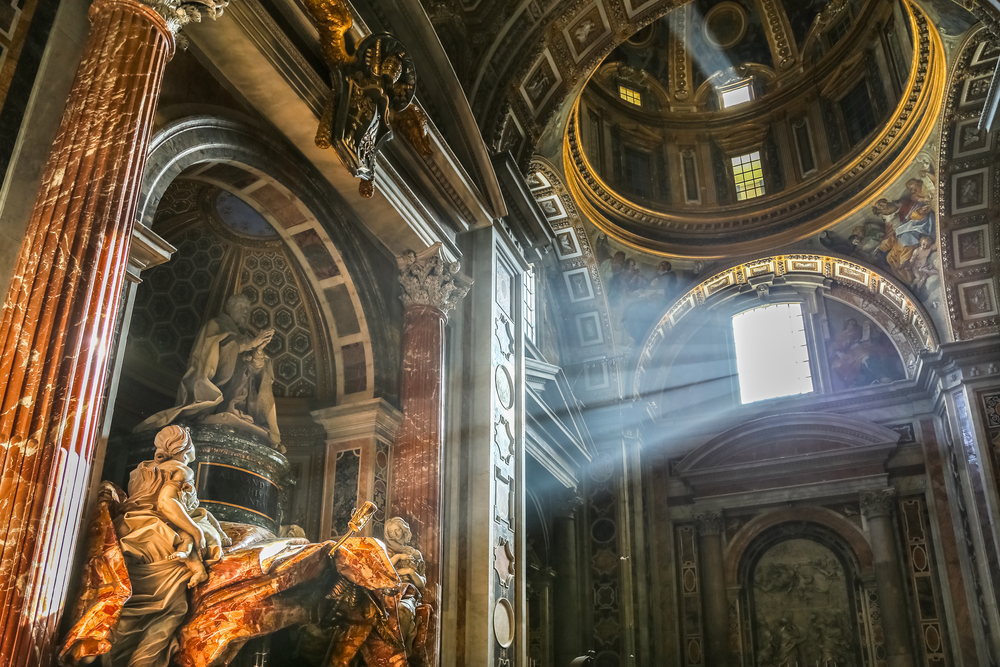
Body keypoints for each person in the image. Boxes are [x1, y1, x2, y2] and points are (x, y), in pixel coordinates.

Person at [134, 294, 281, 448]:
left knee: (263, 364)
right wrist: (247, 345)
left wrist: (257, 353)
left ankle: (234, 408)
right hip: (210, 389)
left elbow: (255, 375)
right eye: (240, 307)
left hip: (237, 396)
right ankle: (217, 409)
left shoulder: (244, 337)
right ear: (229, 310)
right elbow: (215, 350)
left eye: (247, 309)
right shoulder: (216, 325)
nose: (245, 311)